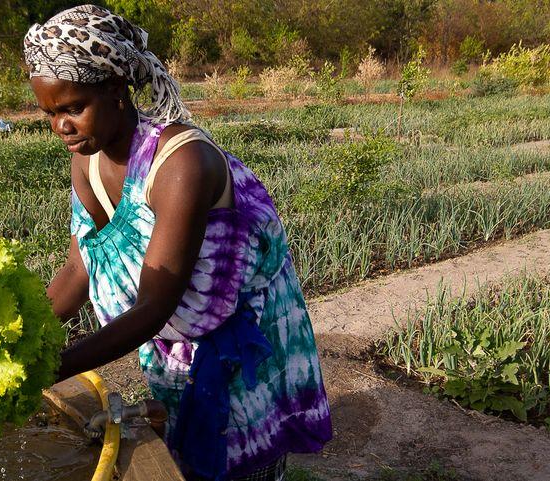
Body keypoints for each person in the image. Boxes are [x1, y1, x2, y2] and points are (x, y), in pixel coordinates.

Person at [24, 5, 333, 480]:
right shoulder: (85, 161)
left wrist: (44, 372)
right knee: (182, 457)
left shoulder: (181, 162)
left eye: (72, 108)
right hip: (173, 341)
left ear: (115, 90)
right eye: (49, 113)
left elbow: (155, 303)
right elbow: (79, 268)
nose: (61, 126)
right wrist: (16, 343)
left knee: (241, 462)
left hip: (236, 338)